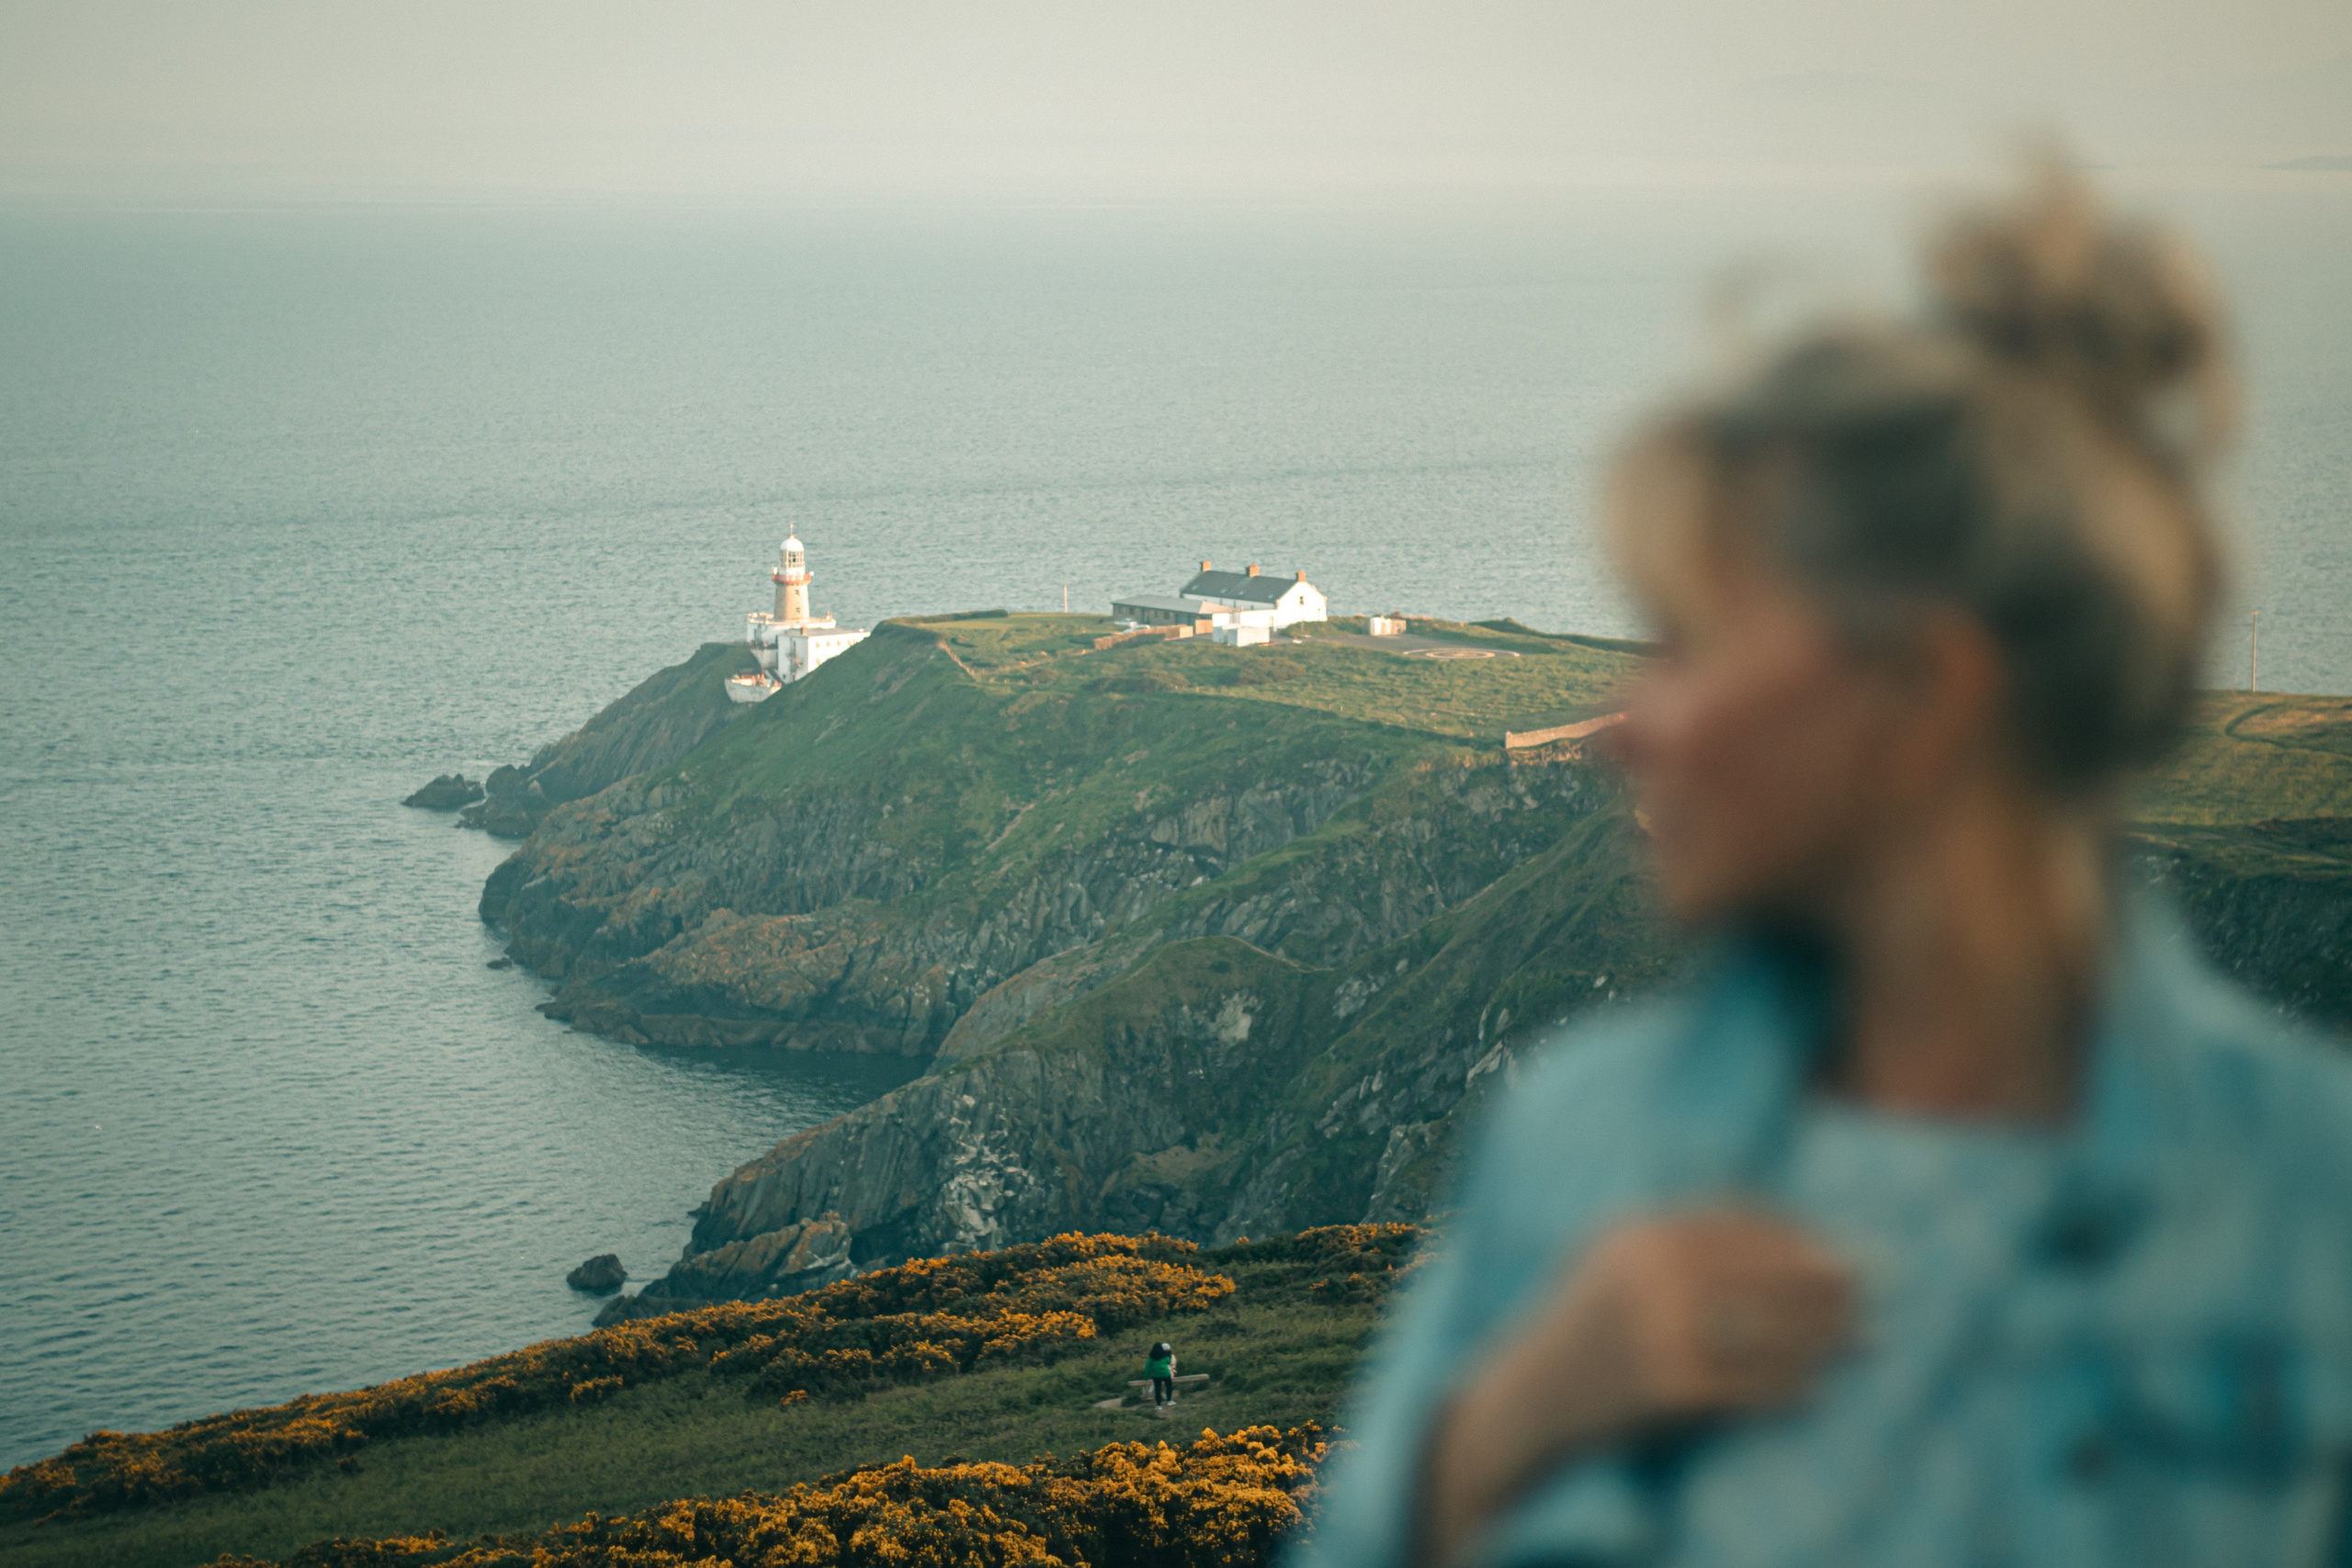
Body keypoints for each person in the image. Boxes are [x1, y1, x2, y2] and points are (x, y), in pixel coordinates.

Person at [1294, 164, 2352, 1568]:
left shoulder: (2300, 1191)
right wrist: (1503, 1428)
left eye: (1697, 645)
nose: (1634, 724)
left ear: (1925, 696)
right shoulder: (1580, 1131)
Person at [1148, 1340, 1177, 1409]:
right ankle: (1168, 1400)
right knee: (1168, 1386)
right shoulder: (1170, 1356)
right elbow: (1172, 1364)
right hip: (1167, 1373)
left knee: (1158, 1387)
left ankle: (1159, 1404)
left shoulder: (1156, 1356)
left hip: (1159, 1374)